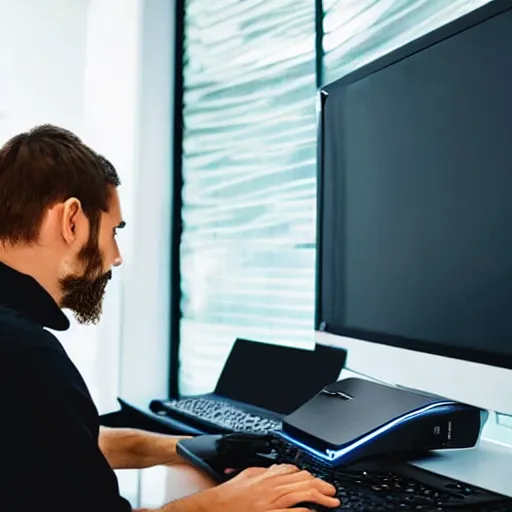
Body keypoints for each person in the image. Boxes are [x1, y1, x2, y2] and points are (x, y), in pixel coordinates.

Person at [0, 125, 340, 512]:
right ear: (72, 220)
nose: (116, 256)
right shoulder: (25, 354)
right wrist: (227, 502)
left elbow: (68, 444)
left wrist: (198, 447)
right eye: (114, 231)